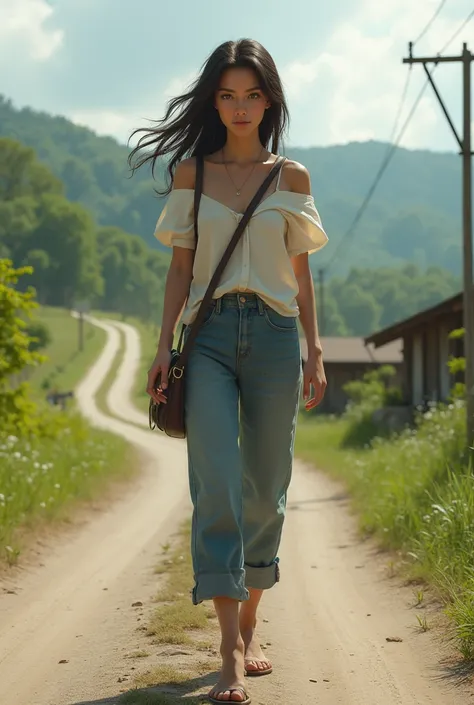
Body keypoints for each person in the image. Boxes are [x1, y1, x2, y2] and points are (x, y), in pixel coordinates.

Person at [129, 38, 328, 705]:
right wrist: (164, 346)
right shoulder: (193, 174)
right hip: (207, 336)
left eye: (251, 94)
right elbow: (180, 268)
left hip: (275, 338)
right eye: (226, 94)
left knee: (266, 485)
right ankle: (228, 653)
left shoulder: (291, 178)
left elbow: (301, 278)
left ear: (268, 99)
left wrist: (317, 351)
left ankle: (250, 621)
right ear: (213, 100)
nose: (239, 107)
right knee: (215, 477)